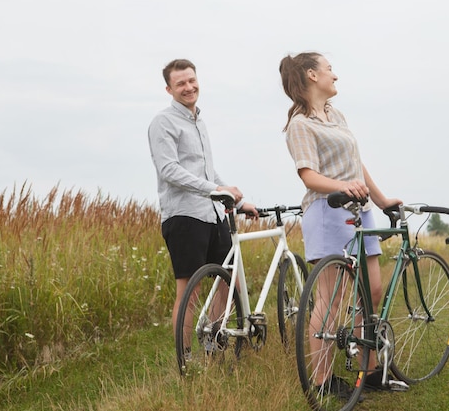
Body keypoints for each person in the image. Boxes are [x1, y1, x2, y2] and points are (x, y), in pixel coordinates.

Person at [279, 52, 403, 396]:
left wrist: (380, 199)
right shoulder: (300, 124)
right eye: (330, 69)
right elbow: (309, 176)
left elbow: (355, 164)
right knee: (331, 301)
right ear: (311, 75)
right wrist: (342, 187)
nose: (336, 75)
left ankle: (372, 371)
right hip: (327, 210)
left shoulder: (336, 115)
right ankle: (322, 381)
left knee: (371, 291)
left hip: (361, 210)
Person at [148, 58, 258, 339]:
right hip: (184, 216)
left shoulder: (199, 121)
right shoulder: (163, 122)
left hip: (212, 214)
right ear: (169, 89)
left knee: (228, 280)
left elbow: (207, 171)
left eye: (191, 80)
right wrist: (214, 190)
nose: (188, 87)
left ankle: (215, 342)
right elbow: (169, 170)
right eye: (180, 83)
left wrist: (233, 199)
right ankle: (184, 362)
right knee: (189, 291)